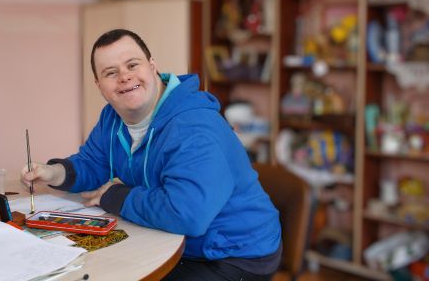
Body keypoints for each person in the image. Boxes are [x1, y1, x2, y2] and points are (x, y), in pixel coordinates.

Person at [21, 29, 282, 280]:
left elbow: (187, 215)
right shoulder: (112, 117)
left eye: (132, 65)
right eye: (111, 72)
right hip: (175, 240)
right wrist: (53, 172)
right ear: (99, 85)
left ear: (152, 66)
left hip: (233, 253)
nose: (124, 77)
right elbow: (93, 162)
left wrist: (116, 196)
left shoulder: (194, 128)